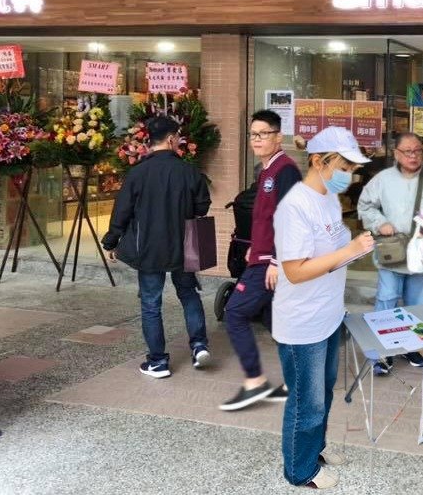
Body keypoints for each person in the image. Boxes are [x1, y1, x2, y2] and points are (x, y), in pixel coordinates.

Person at [272, 126, 374, 489]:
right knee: (307, 401)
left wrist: (355, 250)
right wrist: (350, 251)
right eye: (344, 167)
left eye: (352, 169)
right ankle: (300, 470)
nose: (349, 176)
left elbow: (329, 254)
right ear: (318, 161)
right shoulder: (295, 206)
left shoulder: (328, 199)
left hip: (329, 315)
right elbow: (295, 271)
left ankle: (315, 449)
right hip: (303, 323)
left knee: (323, 392)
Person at [102, 116, 212, 379]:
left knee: (151, 303)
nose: (179, 141)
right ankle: (199, 346)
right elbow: (202, 207)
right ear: (171, 139)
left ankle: (158, 362)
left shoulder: (137, 173)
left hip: (149, 248)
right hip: (184, 245)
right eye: (179, 138)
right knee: (189, 294)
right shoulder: (188, 171)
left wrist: (111, 241)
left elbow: (122, 211)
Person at [219, 110, 301, 411]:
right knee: (274, 320)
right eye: (253, 134)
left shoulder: (285, 170)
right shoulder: (267, 169)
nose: (257, 139)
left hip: (271, 263)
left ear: (278, 136)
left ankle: (255, 382)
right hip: (262, 257)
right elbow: (265, 217)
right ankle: (301, 378)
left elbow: (290, 218)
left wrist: (276, 260)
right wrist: (255, 246)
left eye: (263, 134)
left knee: (234, 313)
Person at [357, 132, 423, 374]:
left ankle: (413, 347)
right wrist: (379, 223)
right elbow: (365, 206)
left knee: (420, 304)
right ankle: (382, 352)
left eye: (418, 151)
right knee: (387, 300)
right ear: (396, 154)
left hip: (422, 253)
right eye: (408, 151)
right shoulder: (382, 179)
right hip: (392, 251)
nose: (413, 156)